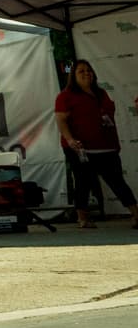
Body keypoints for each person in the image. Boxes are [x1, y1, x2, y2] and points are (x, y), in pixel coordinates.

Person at [54, 59, 138, 229]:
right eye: (81, 71)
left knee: (117, 181)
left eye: (89, 70)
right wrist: (70, 140)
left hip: (106, 146)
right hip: (80, 149)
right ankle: (83, 218)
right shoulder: (65, 96)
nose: (86, 73)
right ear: (73, 76)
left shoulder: (101, 93)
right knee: (83, 182)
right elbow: (61, 120)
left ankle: (136, 214)